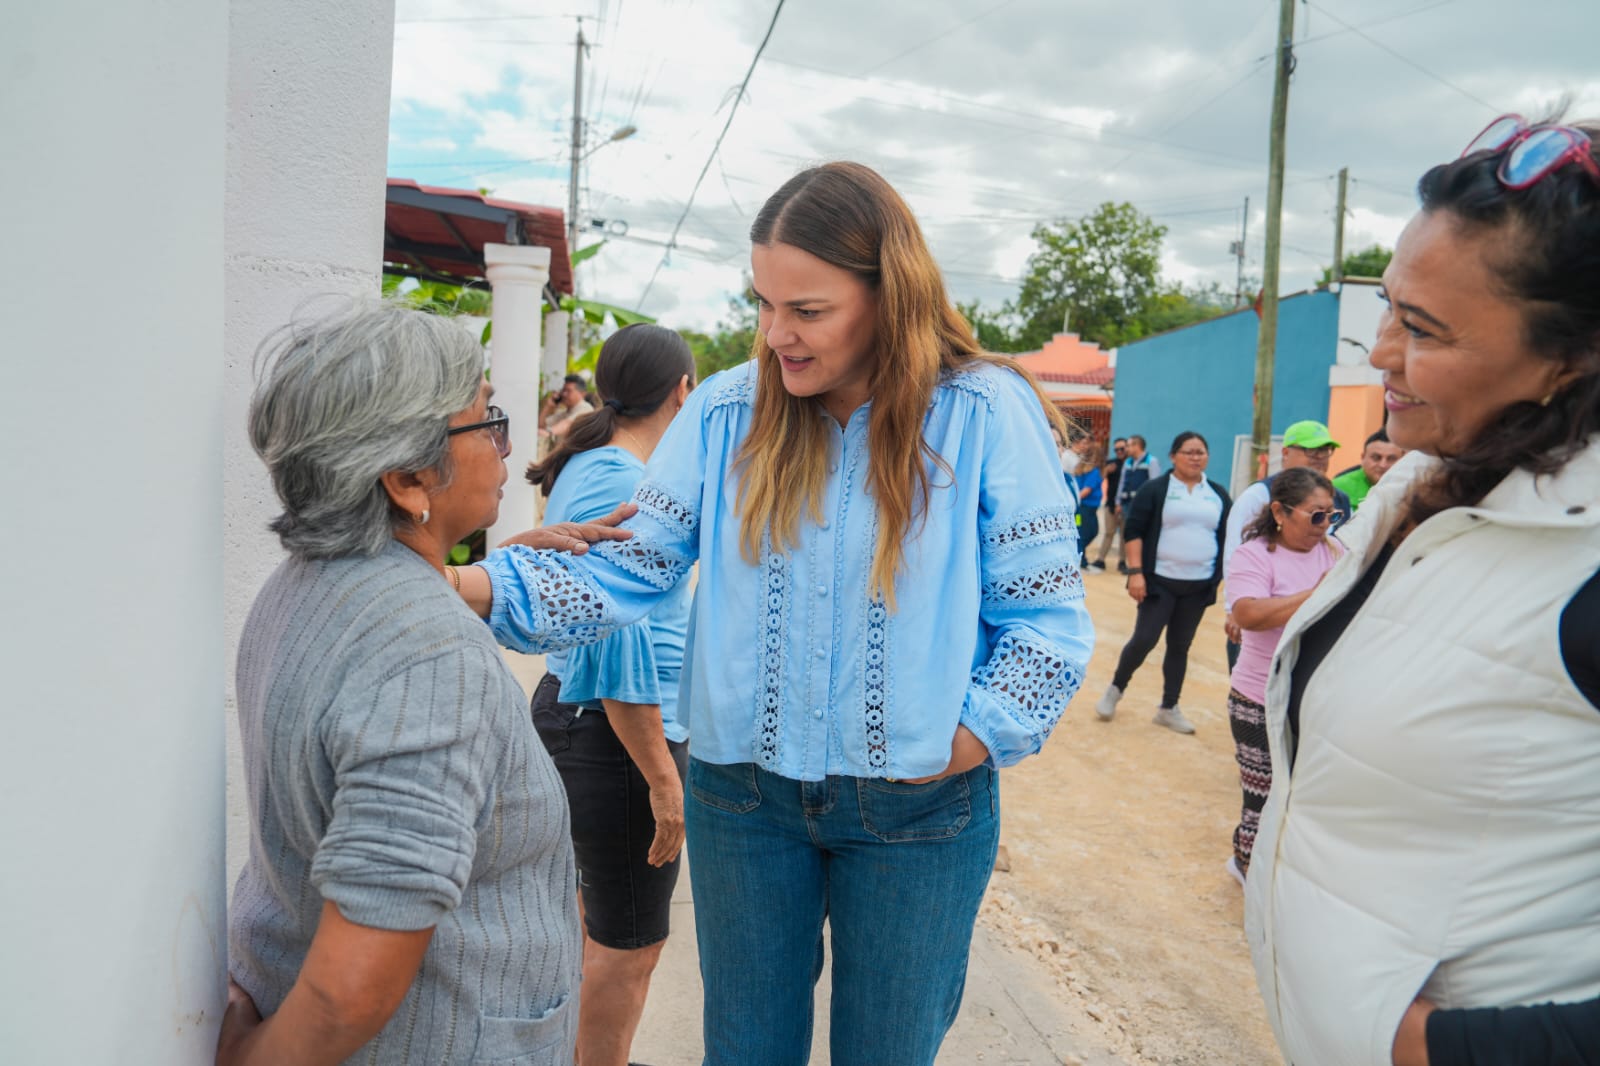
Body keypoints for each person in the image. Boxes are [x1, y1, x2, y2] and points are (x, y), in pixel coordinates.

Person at [448, 161, 1095, 1065]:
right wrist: (463, 587)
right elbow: (632, 566)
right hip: (743, 801)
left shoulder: (983, 411)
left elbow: (1047, 621)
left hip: (917, 812)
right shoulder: (725, 411)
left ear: (890, 296)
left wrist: (965, 739)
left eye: (808, 310)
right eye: (763, 303)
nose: (776, 333)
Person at [1245, 113, 1600, 1066]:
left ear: (1572, 357)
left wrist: (1441, 1048)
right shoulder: (1428, 478)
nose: (1380, 353)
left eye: (1423, 329)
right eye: (1389, 307)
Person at [218, 302, 633, 1066]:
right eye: (488, 422)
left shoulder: (308, 583)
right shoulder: (429, 653)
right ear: (409, 477)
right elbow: (355, 979)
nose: (508, 447)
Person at [523, 324, 696, 1066]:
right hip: (614, 733)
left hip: (587, 722)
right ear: (683, 392)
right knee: (629, 946)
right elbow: (614, 635)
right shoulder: (626, 481)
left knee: (593, 930)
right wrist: (662, 777)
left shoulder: (593, 462)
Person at [1221, 467, 1342, 887]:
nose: (1324, 525)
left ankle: (1281, 874)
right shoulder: (1254, 555)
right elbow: (1248, 614)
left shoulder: (1335, 551)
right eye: (1315, 515)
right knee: (1262, 796)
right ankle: (1246, 867)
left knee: (1302, 795)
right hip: (1258, 698)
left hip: (1313, 697)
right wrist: (1316, 594)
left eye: (1331, 515)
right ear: (1279, 512)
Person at [1095, 431, 1232, 735]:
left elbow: (1227, 535)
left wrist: (1220, 577)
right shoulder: (1156, 489)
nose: (1195, 457)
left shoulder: (1218, 494)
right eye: (1189, 452)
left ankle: (1169, 708)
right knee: (1144, 639)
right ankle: (1115, 689)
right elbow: (1134, 531)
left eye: (1201, 452)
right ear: (1173, 456)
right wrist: (1136, 572)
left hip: (1198, 586)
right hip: (1159, 583)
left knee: (1180, 646)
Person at [1221, 419, 1352, 669]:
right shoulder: (1258, 495)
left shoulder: (1340, 499)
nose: (1320, 457)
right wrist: (1233, 608)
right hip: (1265, 615)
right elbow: (1235, 552)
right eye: (1311, 450)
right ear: (1285, 453)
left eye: (1325, 450)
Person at [1330, 426, 1405, 512]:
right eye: (1376, 457)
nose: (1383, 465)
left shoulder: (1411, 488)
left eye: (1391, 459)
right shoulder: (1338, 487)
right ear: (1363, 458)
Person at [1088, 436, 1128, 572]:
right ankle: (1101, 559)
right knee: (1108, 533)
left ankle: (1122, 561)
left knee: (1124, 535)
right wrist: (1106, 471)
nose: (1119, 451)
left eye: (1122, 449)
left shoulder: (1131, 464)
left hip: (1126, 505)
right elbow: (1098, 479)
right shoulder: (1111, 463)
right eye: (1116, 449)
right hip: (1110, 505)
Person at [539, 372, 594, 442]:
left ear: (582, 394)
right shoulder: (563, 413)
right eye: (563, 390)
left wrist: (549, 432)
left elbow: (568, 423)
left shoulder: (586, 408)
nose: (564, 394)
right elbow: (541, 427)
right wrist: (548, 406)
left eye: (569, 391)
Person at [1074, 444, 1104, 567]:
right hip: (1087, 509)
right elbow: (1087, 490)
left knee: (1080, 531)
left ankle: (1082, 557)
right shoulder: (1093, 472)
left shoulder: (1079, 470)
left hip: (1079, 509)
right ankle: (1079, 554)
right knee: (1091, 531)